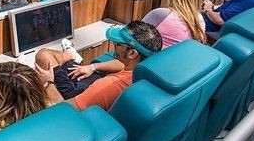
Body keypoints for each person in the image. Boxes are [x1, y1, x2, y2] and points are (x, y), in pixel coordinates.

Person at [34, 21, 162, 111]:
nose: (114, 46)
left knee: (43, 56)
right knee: (46, 56)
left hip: (76, 99)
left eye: (118, 44)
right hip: (91, 89)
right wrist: (93, 67)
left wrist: (47, 83)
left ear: (132, 53)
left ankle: (70, 54)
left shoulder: (108, 86)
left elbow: (64, 110)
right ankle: (71, 54)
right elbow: (122, 65)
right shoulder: (149, 69)